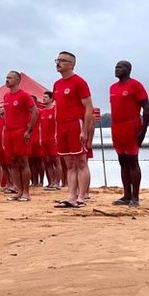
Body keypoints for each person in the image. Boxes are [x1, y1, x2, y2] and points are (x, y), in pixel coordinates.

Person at [52, 51, 94, 209]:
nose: (58, 63)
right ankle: (71, 195)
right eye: (57, 60)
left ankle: (82, 196)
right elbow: (57, 108)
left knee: (81, 161)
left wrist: (85, 130)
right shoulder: (57, 84)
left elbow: (88, 107)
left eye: (62, 61)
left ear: (71, 64)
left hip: (75, 124)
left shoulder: (79, 82)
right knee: (69, 163)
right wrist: (56, 130)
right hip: (62, 125)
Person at [108, 60, 149, 206]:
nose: (116, 69)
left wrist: (143, 131)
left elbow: (147, 107)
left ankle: (135, 196)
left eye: (120, 67)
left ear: (128, 69)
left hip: (131, 127)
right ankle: (126, 195)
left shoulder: (135, 85)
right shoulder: (112, 87)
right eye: (115, 67)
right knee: (122, 161)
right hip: (116, 128)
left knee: (133, 161)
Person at [2, 71, 38, 202]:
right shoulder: (6, 96)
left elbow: (35, 111)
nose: (7, 80)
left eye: (10, 78)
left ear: (17, 80)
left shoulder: (24, 95)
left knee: (23, 161)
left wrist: (29, 129)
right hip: (9, 132)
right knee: (13, 162)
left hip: (21, 131)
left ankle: (26, 193)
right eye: (6, 77)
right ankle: (18, 191)